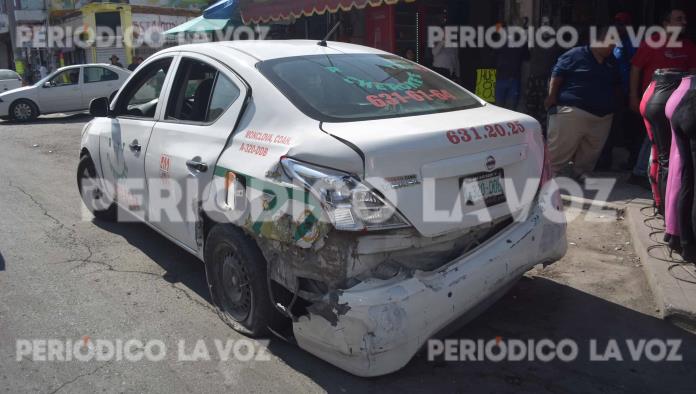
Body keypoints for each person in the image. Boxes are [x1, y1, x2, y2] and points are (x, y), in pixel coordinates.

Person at [628, 8, 696, 185]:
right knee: (652, 138)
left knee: (666, 141)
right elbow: (636, 69)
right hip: (654, 102)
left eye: (685, 19)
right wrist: (633, 96)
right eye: (679, 19)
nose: (684, 22)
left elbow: (693, 74)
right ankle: (641, 172)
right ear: (666, 23)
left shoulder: (688, 46)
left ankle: (658, 175)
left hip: (679, 104)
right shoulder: (652, 43)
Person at [545, 28, 620, 181]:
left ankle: (581, 172)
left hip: (602, 116)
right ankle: (549, 175)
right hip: (573, 110)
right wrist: (551, 96)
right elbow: (557, 74)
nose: (612, 48)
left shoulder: (611, 60)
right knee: (560, 148)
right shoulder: (575, 54)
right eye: (609, 44)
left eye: (614, 45)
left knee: (591, 150)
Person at [494, 25, 529, 110]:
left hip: (503, 78)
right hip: (512, 79)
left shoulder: (499, 43)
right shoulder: (521, 44)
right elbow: (527, 58)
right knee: (510, 108)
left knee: (499, 107)